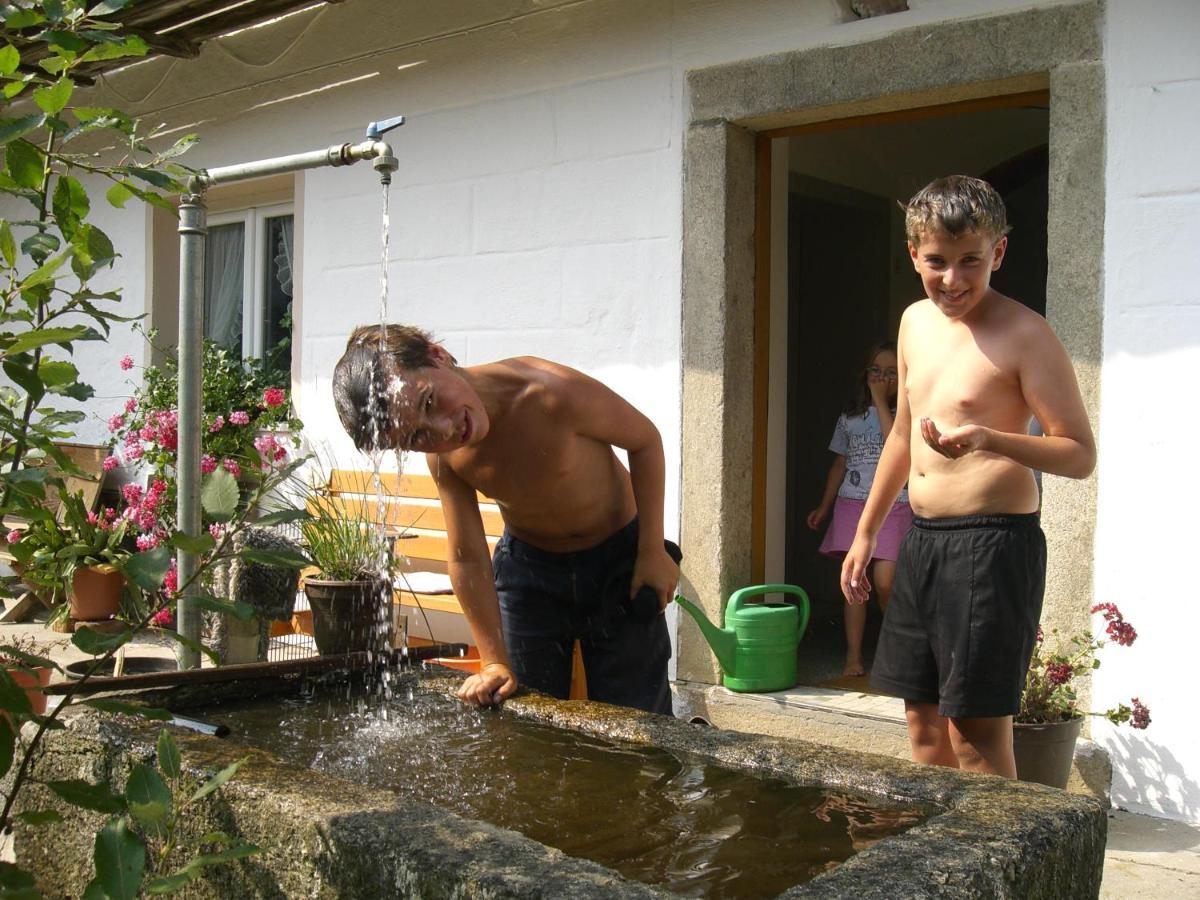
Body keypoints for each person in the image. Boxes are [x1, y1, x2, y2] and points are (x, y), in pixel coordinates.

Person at [840, 175, 1095, 778]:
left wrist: (995, 440)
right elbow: (902, 433)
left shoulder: (1027, 334)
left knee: (975, 737)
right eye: (937, 262)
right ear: (913, 254)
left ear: (998, 253)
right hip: (923, 539)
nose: (952, 280)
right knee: (921, 723)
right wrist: (867, 534)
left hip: (993, 544)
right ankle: (938, 865)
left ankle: (1001, 871)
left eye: (970, 262)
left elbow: (1080, 454)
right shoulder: (912, 323)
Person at [331, 325, 680, 715]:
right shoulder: (445, 456)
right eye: (416, 437)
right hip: (531, 573)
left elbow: (645, 440)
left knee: (637, 716)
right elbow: (466, 556)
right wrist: (494, 660)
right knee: (524, 716)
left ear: (437, 354)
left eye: (430, 402)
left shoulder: (550, 392)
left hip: (618, 561)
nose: (444, 432)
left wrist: (651, 549)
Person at [807, 341, 913, 677]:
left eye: (891, 372)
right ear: (864, 374)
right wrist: (824, 506)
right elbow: (839, 464)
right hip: (852, 504)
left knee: (885, 582)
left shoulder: (903, 416)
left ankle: (895, 650)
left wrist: (882, 402)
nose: (882, 378)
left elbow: (893, 444)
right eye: (876, 371)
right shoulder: (849, 418)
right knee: (854, 584)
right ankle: (853, 657)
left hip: (894, 506)